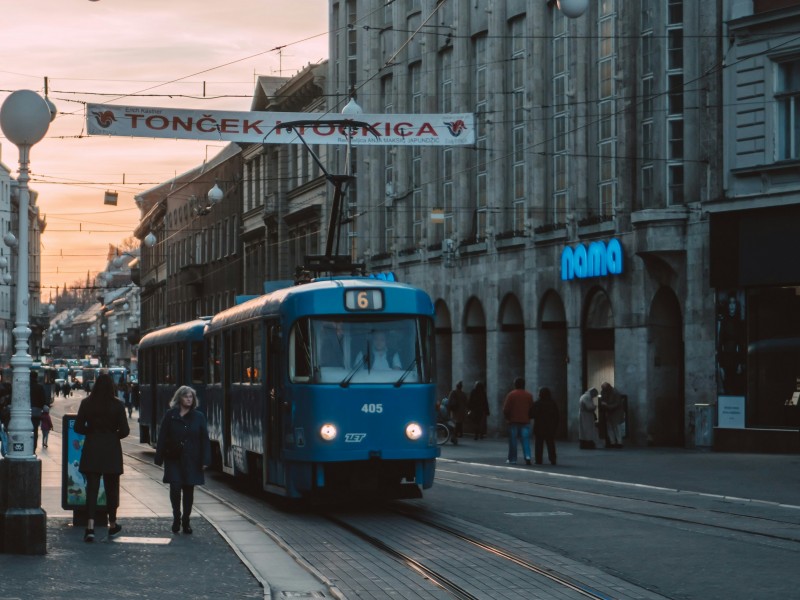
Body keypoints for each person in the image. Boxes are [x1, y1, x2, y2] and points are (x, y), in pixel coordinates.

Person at [74, 372, 130, 542]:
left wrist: (91, 433)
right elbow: (125, 431)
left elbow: (77, 427)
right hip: (111, 450)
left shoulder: (87, 403)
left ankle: (90, 527)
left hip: (92, 449)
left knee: (91, 489)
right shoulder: (118, 405)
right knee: (111, 489)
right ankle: (112, 524)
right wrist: (112, 436)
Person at [155, 385, 211, 534]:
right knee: (175, 488)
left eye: (191, 397)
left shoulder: (199, 416)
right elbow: (162, 437)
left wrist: (205, 459)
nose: (188, 399)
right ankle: (176, 517)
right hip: (174, 458)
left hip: (192, 459)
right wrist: (159, 457)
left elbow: (204, 439)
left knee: (188, 490)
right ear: (179, 398)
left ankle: (186, 520)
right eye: (186, 396)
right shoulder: (170, 415)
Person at [717, 292, 746, 395]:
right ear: (728, 305)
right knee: (728, 389)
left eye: (734, 303)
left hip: (736, 360)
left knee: (736, 389)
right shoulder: (724, 322)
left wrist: (740, 363)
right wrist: (721, 366)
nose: (732, 305)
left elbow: (742, 344)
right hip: (726, 361)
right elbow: (720, 344)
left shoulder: (739, 322)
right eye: (730, 303)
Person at [502, 377, 533, 465]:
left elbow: (506, 409)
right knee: (526, 440)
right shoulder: (529, 395)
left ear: (515, 385)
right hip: (525, 421)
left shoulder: (511, 394)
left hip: (513, 421)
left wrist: (508, 418)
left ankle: (512, 459)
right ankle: (527, 456)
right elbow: (532, 408)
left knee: (513, 441)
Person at [531, 386, 559, 465]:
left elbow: (532, 414)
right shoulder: (552, 403)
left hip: (539, 427)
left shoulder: (537, 403)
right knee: (550, 444)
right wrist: (555, 426)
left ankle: (538, 460)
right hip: (550, 427)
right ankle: (552, 459)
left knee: (539, 444)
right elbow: (556, 416)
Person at [599, 381, 625, 448]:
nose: (603, 390)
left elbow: (616, 404)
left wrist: (606, 405)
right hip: (609, 412)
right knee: (610, 428)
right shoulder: (604, 392)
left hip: (616, 413)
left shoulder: (615, 393)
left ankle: (619, 442)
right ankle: (612, 442)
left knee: (617, 428)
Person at [30, 371, 47, 451]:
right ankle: (33, 448)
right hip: (36, 411)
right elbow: (43, 400)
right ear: (36, 377)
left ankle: (28, 447)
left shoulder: (26, 386)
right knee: (35, 430)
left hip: (26, 411)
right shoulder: (39, 387)